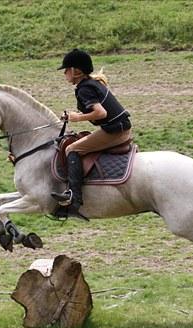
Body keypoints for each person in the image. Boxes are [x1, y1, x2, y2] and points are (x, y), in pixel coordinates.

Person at [52, 48, 132, 220]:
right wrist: (73, 116)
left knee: (72, 149)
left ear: (75, 71)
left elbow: (101, 113)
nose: (64, 73)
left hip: (116, 131)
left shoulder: (84, 89)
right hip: (118, 127)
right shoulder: (90, 83)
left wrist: (77, 118)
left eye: (66, 69)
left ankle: (74, 197)